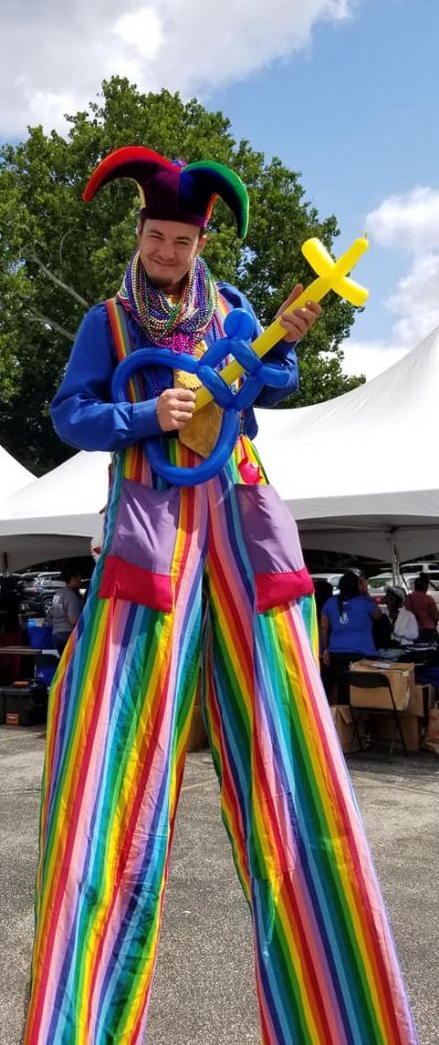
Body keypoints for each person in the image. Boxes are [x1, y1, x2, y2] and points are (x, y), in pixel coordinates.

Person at [24, 148, 417, 1045]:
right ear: (139, 234)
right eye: (155, 236)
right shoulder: (110, 320)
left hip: (240, 530)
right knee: (107, 772)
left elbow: (268, 384)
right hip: (154, 541)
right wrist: (138, 417)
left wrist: (291, 341)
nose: (167, 251)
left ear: (201, 239)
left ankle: (342, 1020)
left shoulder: (233, 308)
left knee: (293, 764)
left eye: (180, 239)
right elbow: (68, 412)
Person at [320, 569, 381, 700]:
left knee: (341, 688)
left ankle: (342, 717)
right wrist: (367, 593)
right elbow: (378, 615)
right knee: (364, 691)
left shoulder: (330, 602)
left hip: (337, 652)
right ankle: (361, 717)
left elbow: (324, 627)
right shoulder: (365, 603)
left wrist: (326, 648)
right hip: (363, 653)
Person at [46, 566, 84, 656]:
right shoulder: (71, 596)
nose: (81, 580)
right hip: (68, 634)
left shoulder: (58, 593)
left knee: (64, 664)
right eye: (79, 577)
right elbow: (73, 620)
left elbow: (51, 614)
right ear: (73, 578)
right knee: (71, 665)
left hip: (56, 634)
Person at [405, 574, 439, 643]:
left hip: (412, 629)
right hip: (428, 630)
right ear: (425, 587)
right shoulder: (428, 599)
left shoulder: (408, 598)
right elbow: (436, 616)